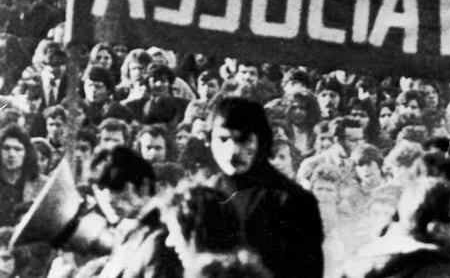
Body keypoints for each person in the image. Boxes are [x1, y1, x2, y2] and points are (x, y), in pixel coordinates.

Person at [207, 97, 324, 277]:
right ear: (210, 140)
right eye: (223, 139)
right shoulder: (207, 195)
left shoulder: (293, 200)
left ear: (261, 140)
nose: (232, 152)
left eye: (243, 139)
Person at [73, 146, 182, 278]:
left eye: (117, 187)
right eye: (102, 189)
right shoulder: (131, 231)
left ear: (144, 185)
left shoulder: (163, 235)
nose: (109, 198)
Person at [0, 125, 46, 227]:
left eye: (18, 149)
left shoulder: (42, 185)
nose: (11, 154)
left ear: (27, 153)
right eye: (6, 148)